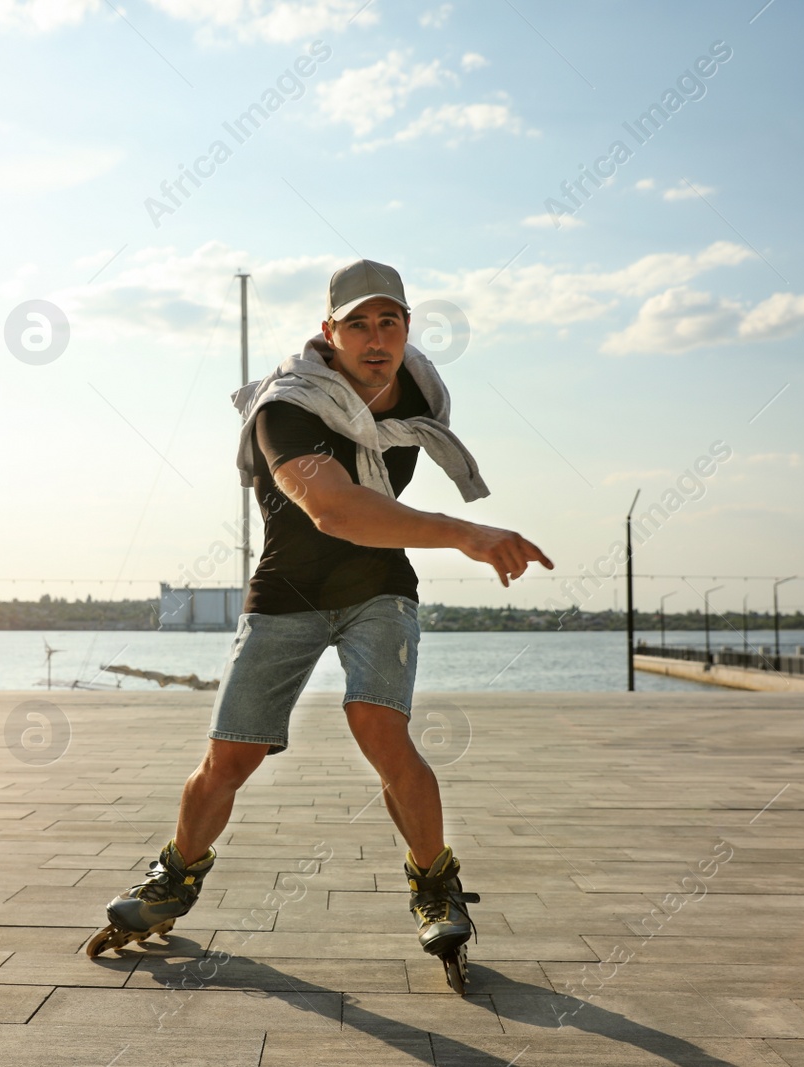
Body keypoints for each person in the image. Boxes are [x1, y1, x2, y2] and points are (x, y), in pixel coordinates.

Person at [85, 259, 554, 989]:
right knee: (229, 760)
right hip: (289, 589)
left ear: (406, 329)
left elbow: (375, 519)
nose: (376, 338)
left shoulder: (418, 394)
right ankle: (172, 877)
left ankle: (435, 883)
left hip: (378, 586)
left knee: (379, 724)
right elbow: (334, 509)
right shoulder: (287, 405)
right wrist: (465, 532)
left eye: (389, 321)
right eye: (358, 323)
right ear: (327, 332)